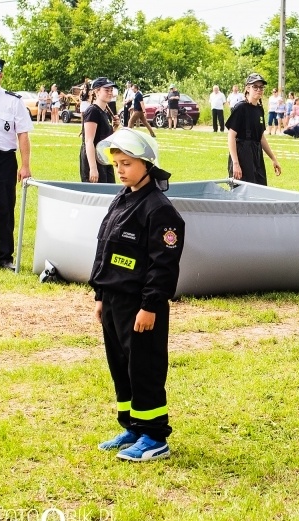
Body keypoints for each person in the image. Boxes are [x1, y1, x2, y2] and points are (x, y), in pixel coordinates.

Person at [91, 127, 185, 461]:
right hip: (115, 301)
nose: (120, 169)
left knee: (144, 366)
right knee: (121, 365)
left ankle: (155, 436)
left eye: (127, 162)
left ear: (146, 164)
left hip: (140, 306)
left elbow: (164, 265)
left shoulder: (159, 209)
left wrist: (150, 305)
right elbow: (105, 250)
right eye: (116, 163)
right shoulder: (122, 199)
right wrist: (101, 295)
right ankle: (133, 427)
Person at [0, 57, 33, 271]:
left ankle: (5, 257)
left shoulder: (13, 101)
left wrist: (25, 165)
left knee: (5, 208)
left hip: (4, 160)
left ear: (1, 75)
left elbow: (23, 135)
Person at [225, 73, 282, 186]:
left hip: (256, 153)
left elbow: (261, 137)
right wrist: (236, 163)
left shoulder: (259, 110)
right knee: (242, 191)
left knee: (260, 189)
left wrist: (273, 159)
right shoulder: (240, 108)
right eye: (255, 87)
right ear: (247, 88)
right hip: (242, 152)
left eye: (261, 87)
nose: (258, 90)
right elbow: (231, 136)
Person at [81, 77, 120, 183]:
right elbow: (89, 141)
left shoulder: (104, 112)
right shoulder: (92, 111)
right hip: (94, 160)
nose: (110, 93)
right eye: (106, 90)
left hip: (104, 158)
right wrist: (93, 168)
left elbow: (105, 139)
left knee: (110, 193)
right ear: (97, 92)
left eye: (111, 90)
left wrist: (114, 127)